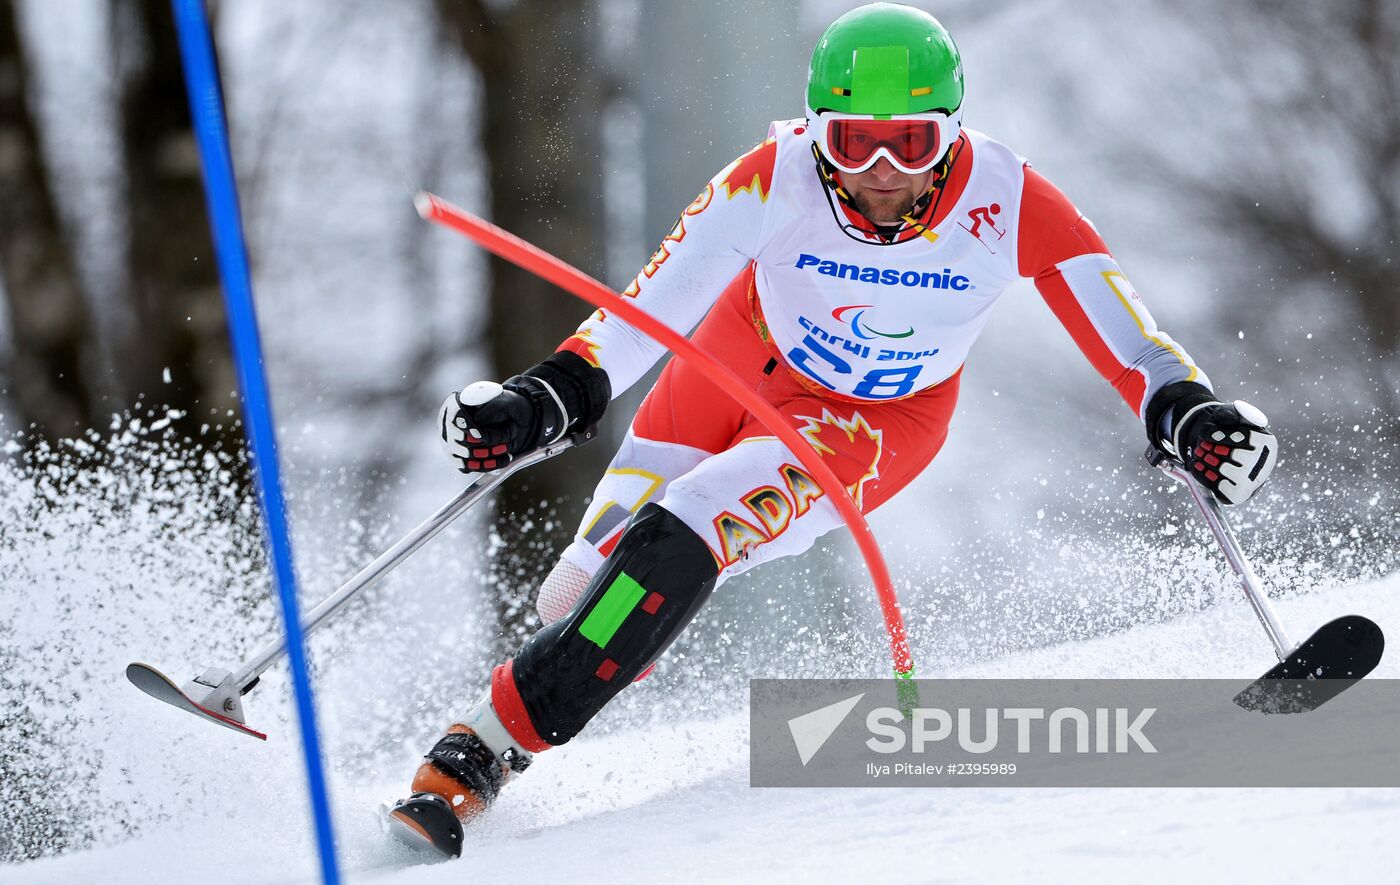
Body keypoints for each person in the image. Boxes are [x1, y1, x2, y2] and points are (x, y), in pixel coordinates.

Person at [386, 2, 1277, 856]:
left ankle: (479, 750)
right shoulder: (770, 179)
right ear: (816, 131)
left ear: (952, 133)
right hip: (728, 366)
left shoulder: (1010, 201)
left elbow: (1134, 346)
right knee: (579, 593)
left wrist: (1192, 416)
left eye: (913, 140)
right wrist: (540, 400)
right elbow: (641, 313)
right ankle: (582, 660)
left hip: (869, 422)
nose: (882, 168)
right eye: (853, 142)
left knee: (681, 531)